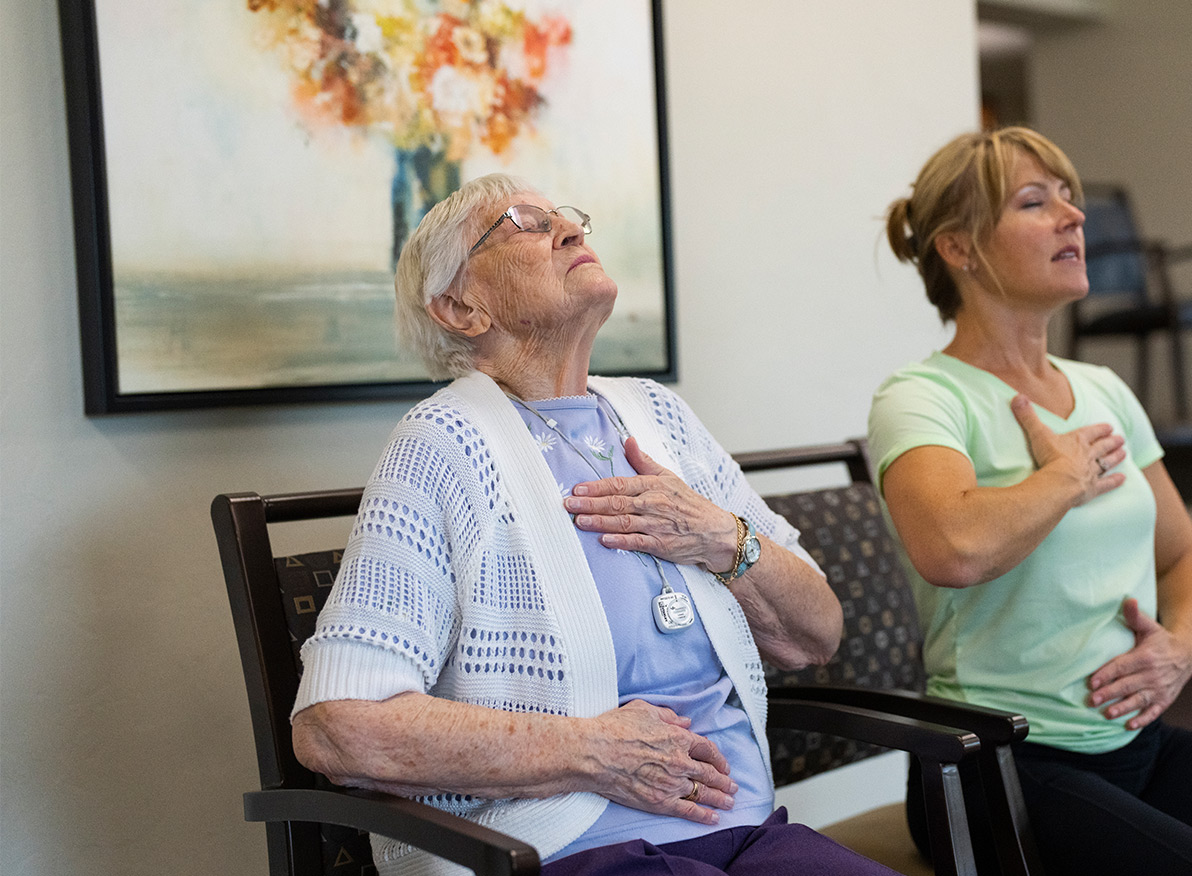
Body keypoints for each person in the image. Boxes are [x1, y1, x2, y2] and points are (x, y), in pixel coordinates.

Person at [290, 173, 899, 876]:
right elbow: (338, 726)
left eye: (568, 218)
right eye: (524, 222)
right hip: (566, 850)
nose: (572, 230)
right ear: (460, 307)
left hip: (750, 833)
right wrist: (592, 752)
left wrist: (722, 538)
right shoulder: (444, 442)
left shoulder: (658, 415)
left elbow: (817, 631)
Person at [870, 126, 1192, 876]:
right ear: (959, 249)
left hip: (1139, 744)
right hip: (998, 771)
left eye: (1069, 198)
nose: (1073, 217)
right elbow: (953, 548)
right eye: (1035, 201)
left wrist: (1180, 650)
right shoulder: (922, 397)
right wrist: (1063, 478)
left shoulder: (1104, 391)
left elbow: (1187, 561)